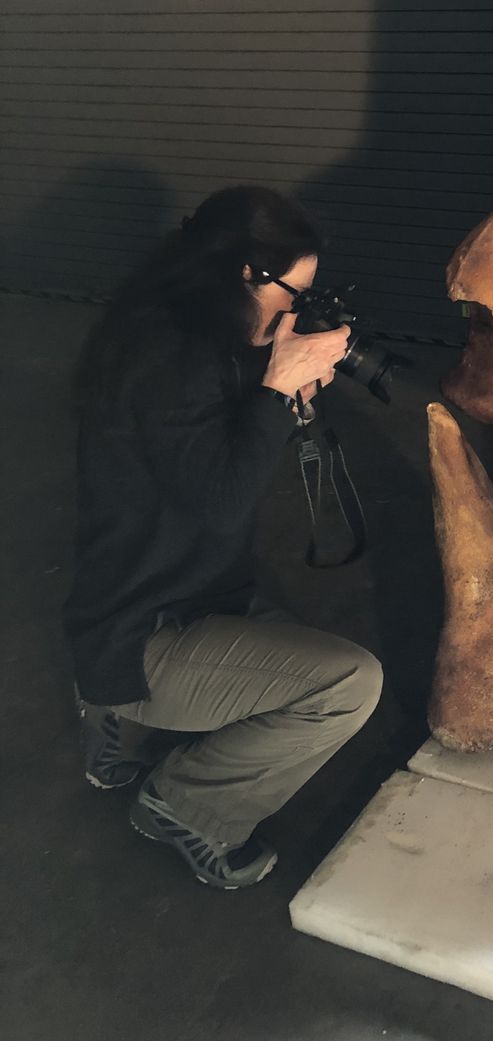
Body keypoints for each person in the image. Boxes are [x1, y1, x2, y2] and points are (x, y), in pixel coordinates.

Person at [65, 185, 383, 890]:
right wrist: (275, 392)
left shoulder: (186, 325)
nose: (297, 308)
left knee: (310, 641)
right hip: (142, 629)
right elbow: (221, 501)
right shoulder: (166, 358)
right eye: (294, 292)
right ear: (248, 273)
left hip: (182, 595)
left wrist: (288, 392)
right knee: (348, 685)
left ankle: (116, 716)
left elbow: (218, 455)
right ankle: (185, 806)